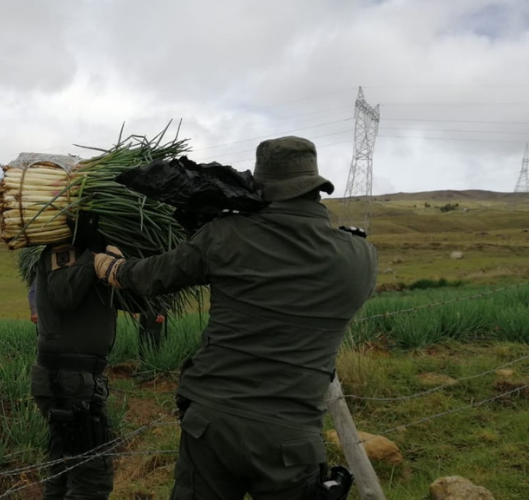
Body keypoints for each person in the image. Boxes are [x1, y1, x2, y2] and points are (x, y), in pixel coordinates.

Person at [93, 136, 378, 500]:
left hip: (213, 423)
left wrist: (111, 267)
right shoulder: (361, 256)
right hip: (291, 436)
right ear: (314, 185)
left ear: (259, 187)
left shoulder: (225, 236)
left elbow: (151, 277)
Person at [30, 220, 117, 500]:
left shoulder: (97, 255)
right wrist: (92, 252)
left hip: (75, 379)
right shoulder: (64, 250)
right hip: (68, 379)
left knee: (64, 472)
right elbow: (63, 293)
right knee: (91, 478)